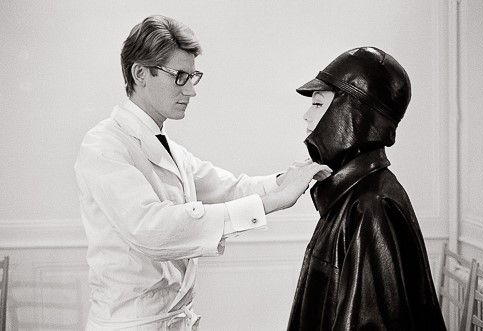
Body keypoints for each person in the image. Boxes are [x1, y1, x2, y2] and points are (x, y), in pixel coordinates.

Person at [74, 15, 331, 330]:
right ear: (140, 73)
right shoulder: (103, 145)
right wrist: (272, 202)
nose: (191, 91)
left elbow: (228, 189)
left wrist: (284, 181)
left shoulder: (169, 148)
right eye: (179, 76)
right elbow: (150, 230)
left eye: (192, 76)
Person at [287, 47, 447, 330]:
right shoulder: (353, 195)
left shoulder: (371, 205)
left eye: (317, 103)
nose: (305, 116)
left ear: (351, 113)